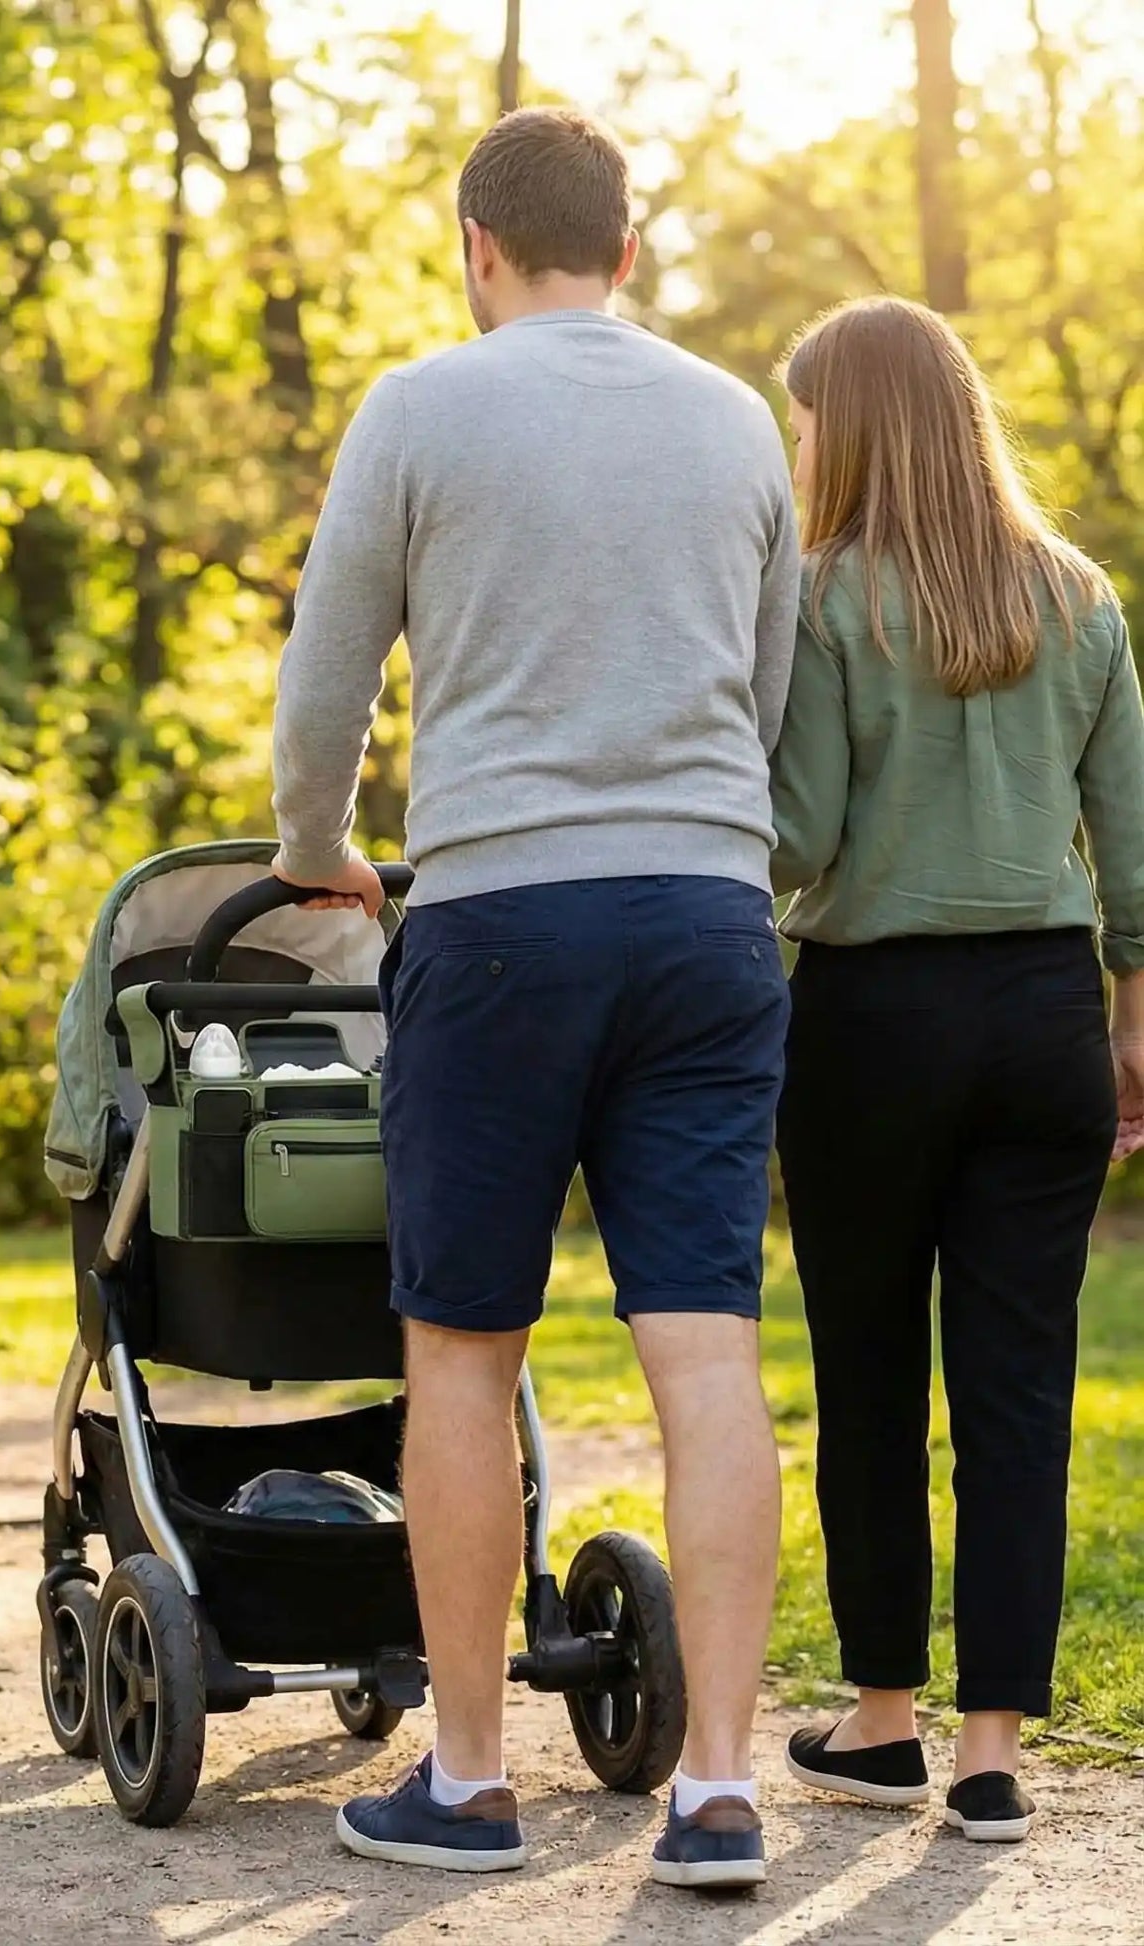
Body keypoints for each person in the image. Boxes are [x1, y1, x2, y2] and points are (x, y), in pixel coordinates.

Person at [269, 106, 799, 1890]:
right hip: (708, 918)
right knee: (705, 1349)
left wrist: (314, 848)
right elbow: (770, 689)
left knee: (462, 1348)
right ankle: (715, 1791)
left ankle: (472, 1778)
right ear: (626, 249)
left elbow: (327, 677)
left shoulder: (421, 406)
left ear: (473, 247)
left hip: (498, 918)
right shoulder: (734, 421)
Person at [770, 296, 1144, 1843]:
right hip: (1047, 1014)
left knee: (867, 1375)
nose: (795, 448)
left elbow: (799, 833)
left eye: (802, 421)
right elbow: (1130, 843)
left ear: (852, 426)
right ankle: (991, 1752)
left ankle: (880, 1721)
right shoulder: (1077, 594)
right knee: (1016, 1388)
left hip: (874, 1018)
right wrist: (1129, 1019)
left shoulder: (824, 598)